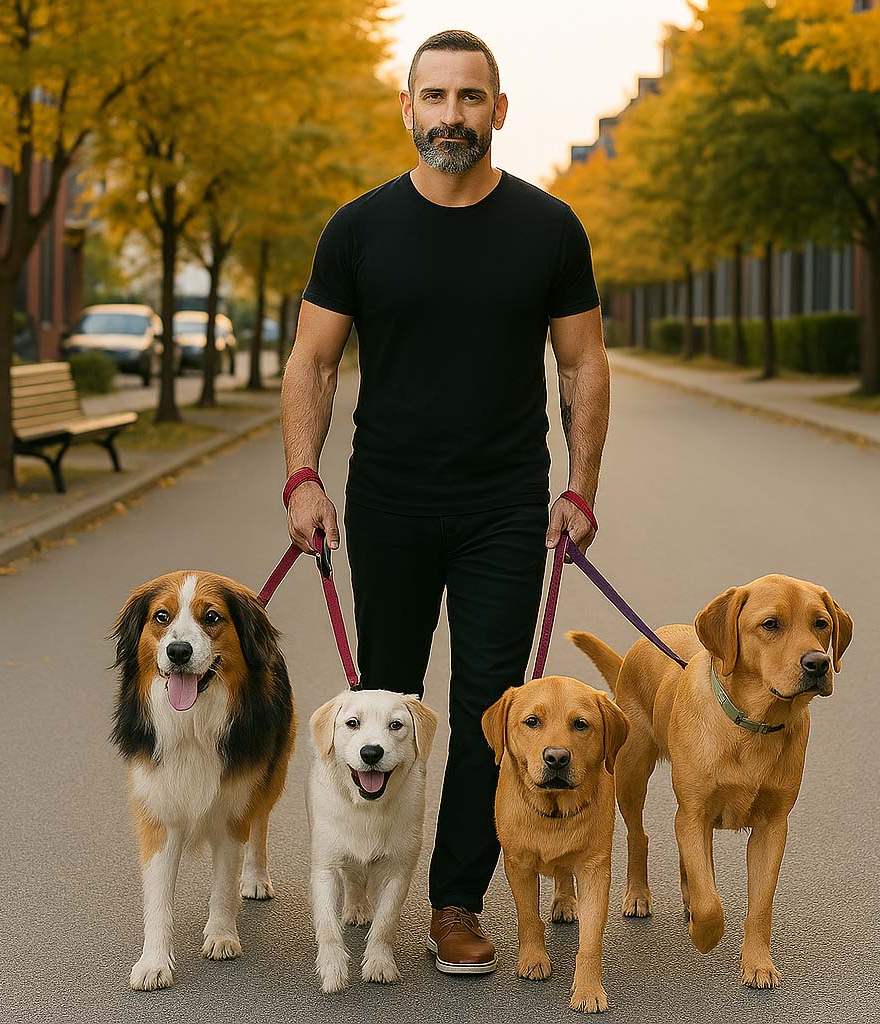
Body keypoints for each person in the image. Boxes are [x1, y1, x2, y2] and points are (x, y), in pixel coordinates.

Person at [280, 28, 610, 975]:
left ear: (499, 111)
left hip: (507, 504)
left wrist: (579, 488)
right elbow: (313, 360)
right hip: (386, 501)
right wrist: (303, 476)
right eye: (435, 98)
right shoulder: (358, 228)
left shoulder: (548, 227)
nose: (452, 117)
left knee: (487, 711)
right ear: (408, 108)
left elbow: (583, 363)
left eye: (471, 98)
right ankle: (362, 867)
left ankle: (456, 902)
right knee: (381, 703)